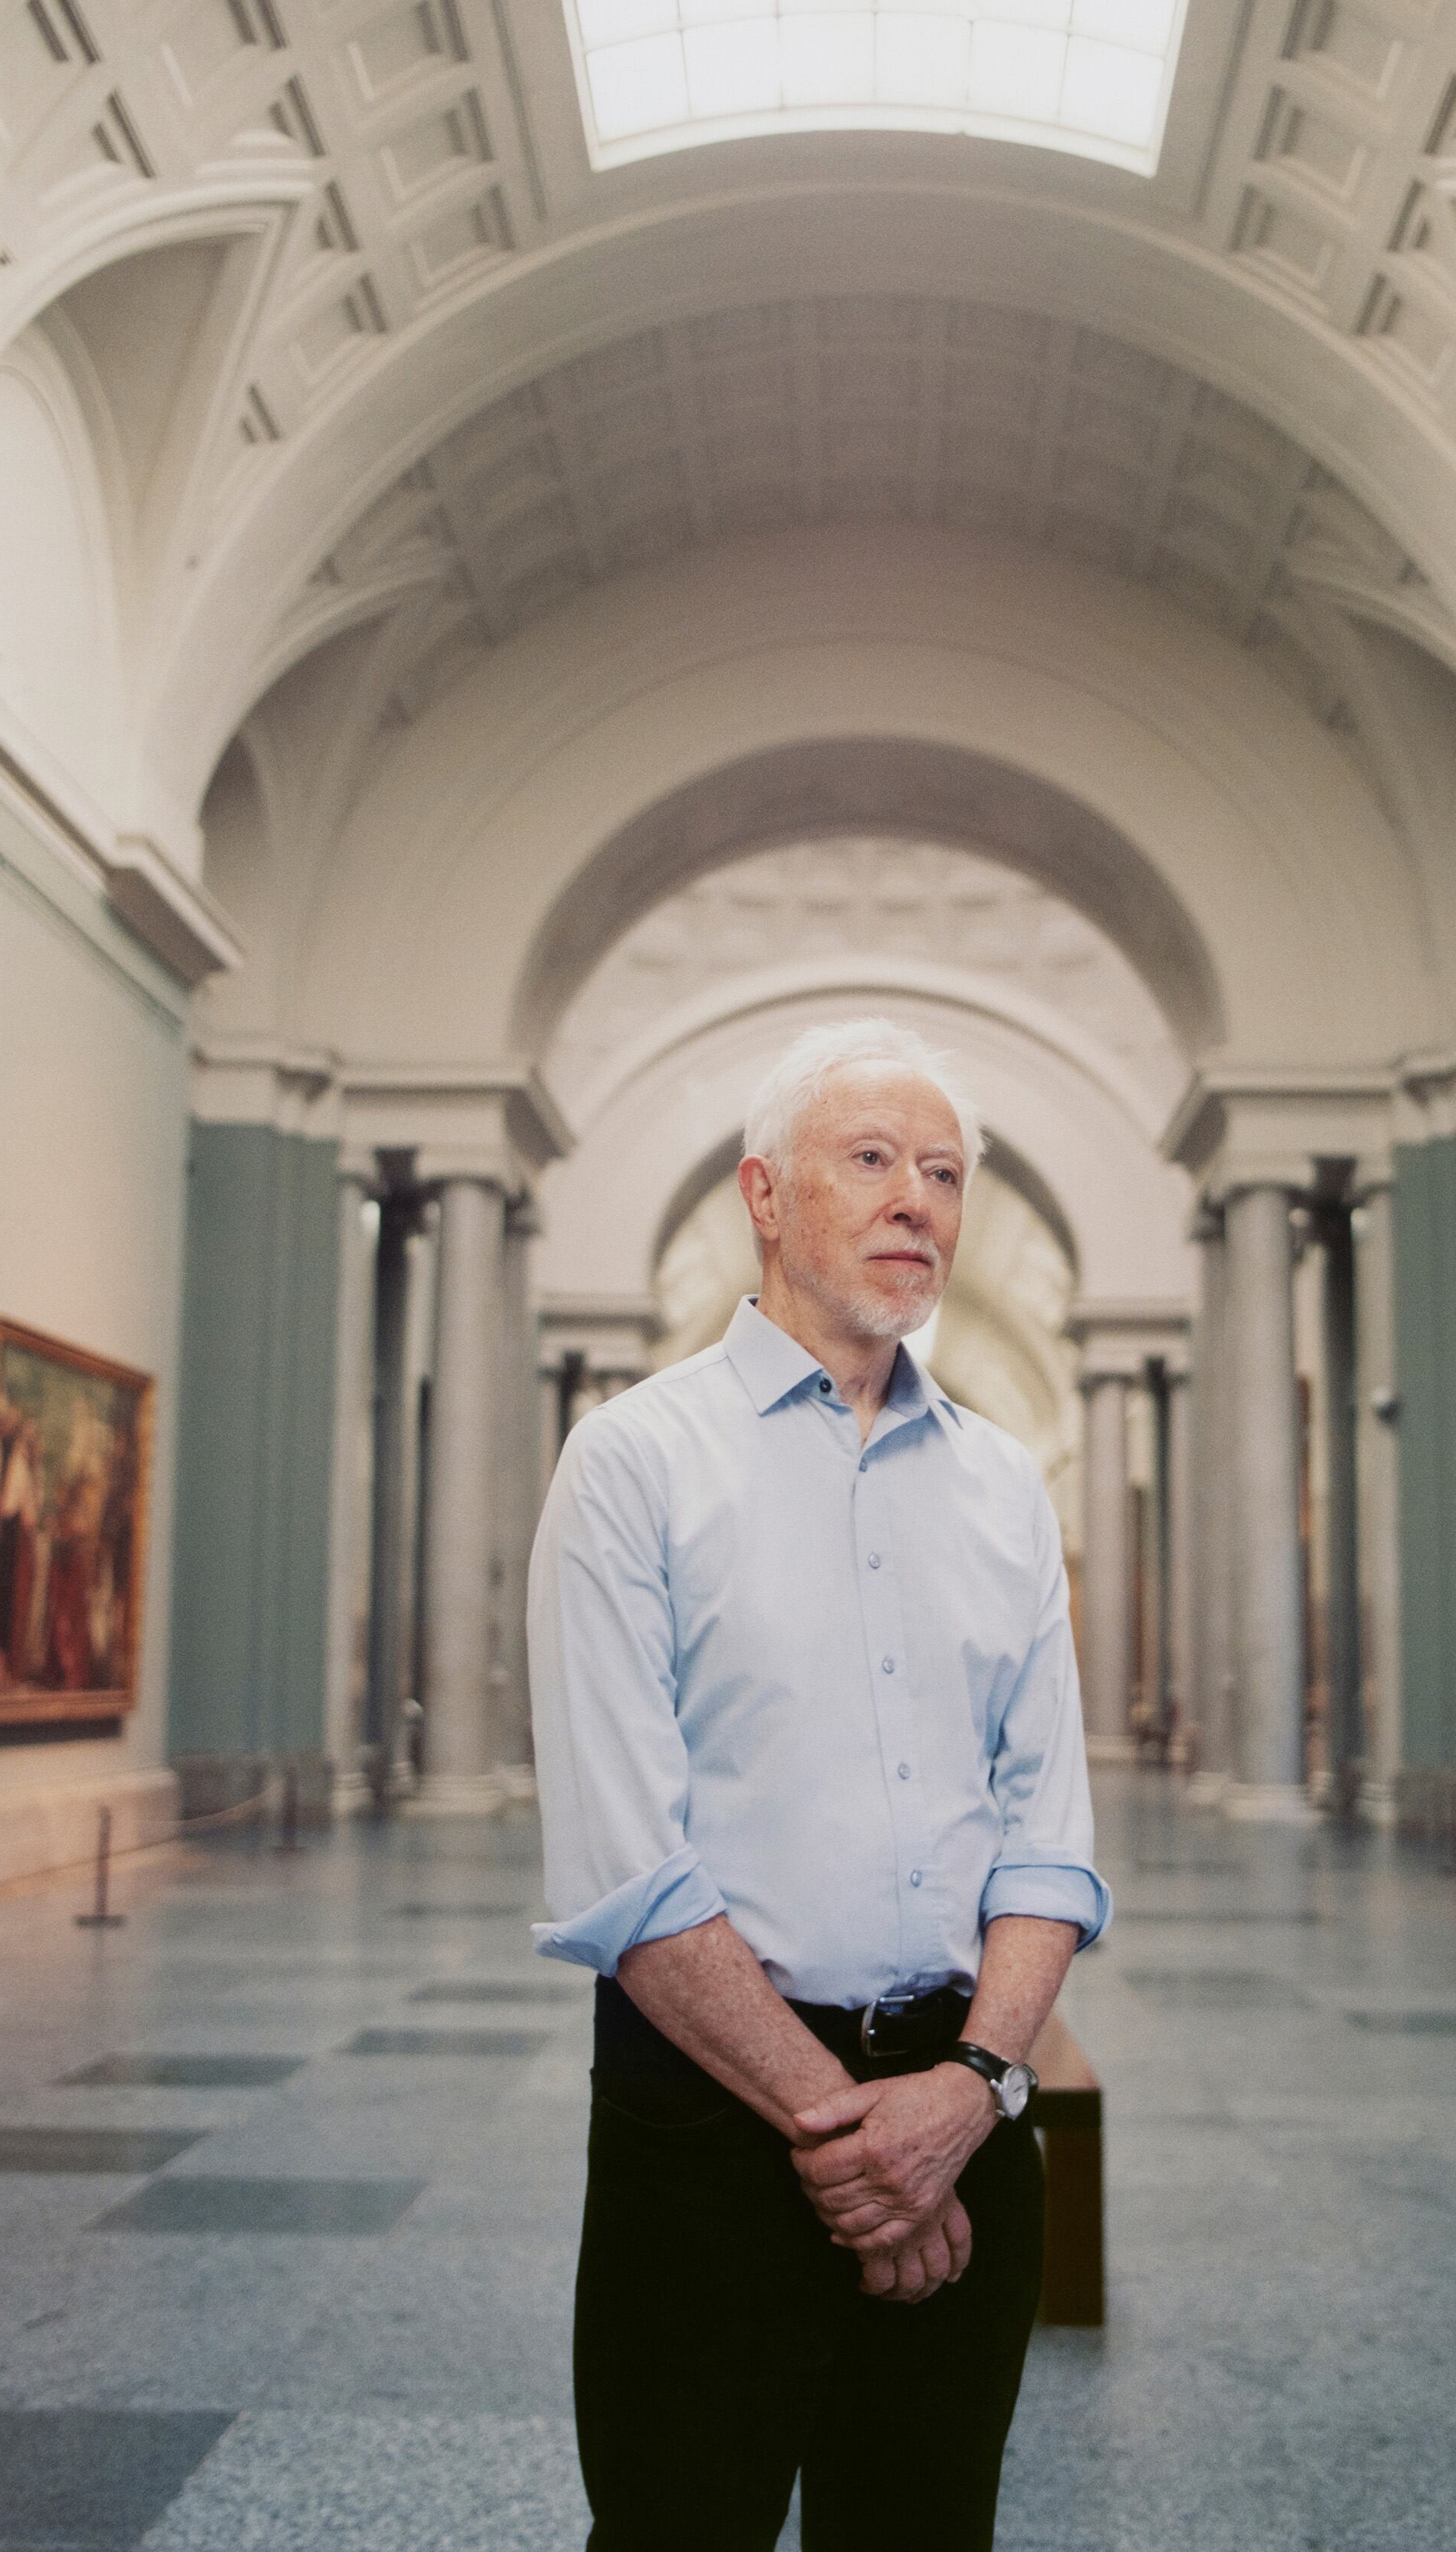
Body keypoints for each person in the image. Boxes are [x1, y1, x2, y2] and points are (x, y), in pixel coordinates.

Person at [530, 1016, 1108, 2552]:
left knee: (924, 2529)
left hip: (964, 2096)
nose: (917, 1197)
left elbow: (1048, 1847)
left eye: (943, 1169)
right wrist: (849, 2135)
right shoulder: (633, 1462)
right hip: (711, 2119)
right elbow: (625, 1867)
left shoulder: (1000, 1487)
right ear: (764, 1194)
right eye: (870, 1159)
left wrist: (967, 2095)